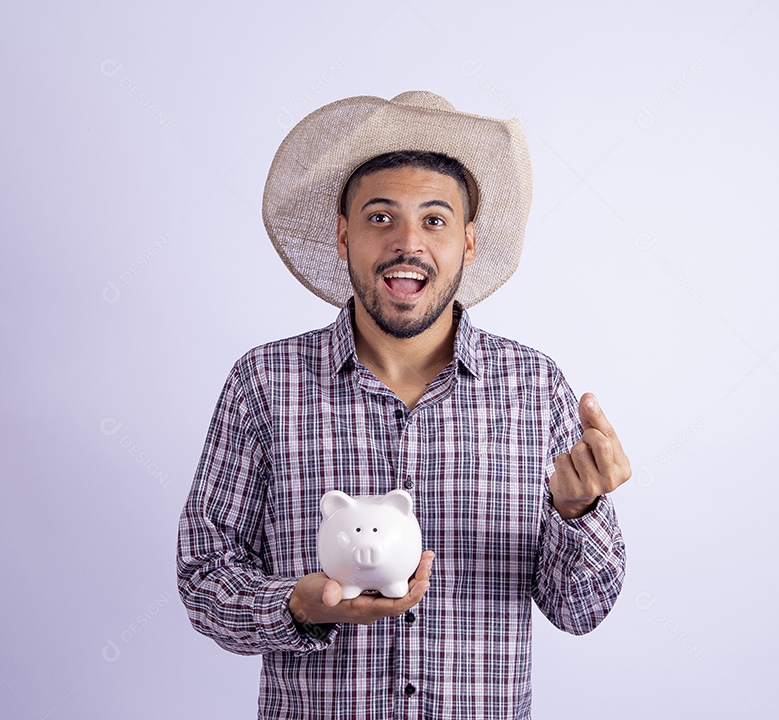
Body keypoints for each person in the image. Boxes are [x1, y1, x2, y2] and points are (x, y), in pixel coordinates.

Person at [177, 91, 630, 719]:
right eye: (381, 217)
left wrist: (579, 510)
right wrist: (296, 608)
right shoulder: (264, 381)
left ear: (469, 242)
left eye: (436, 220)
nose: (408, 244)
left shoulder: (535, 388)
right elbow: (204, 579)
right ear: (343, 236)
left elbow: (582, 611)